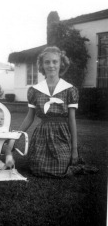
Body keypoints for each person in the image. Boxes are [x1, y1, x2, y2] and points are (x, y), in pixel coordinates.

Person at [18, 46, 98, 177]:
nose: (51, 65)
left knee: (61, 166)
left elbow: (72, 120)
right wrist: (15, 137)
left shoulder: (69, 89)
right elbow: (29, 117)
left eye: (55, 61)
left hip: (62, 134)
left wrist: (74, 149)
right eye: (47, 62)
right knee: (37, 168)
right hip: (42, 135)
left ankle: (71, 164)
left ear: (61, 64)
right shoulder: (35, 90)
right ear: (42, 65)